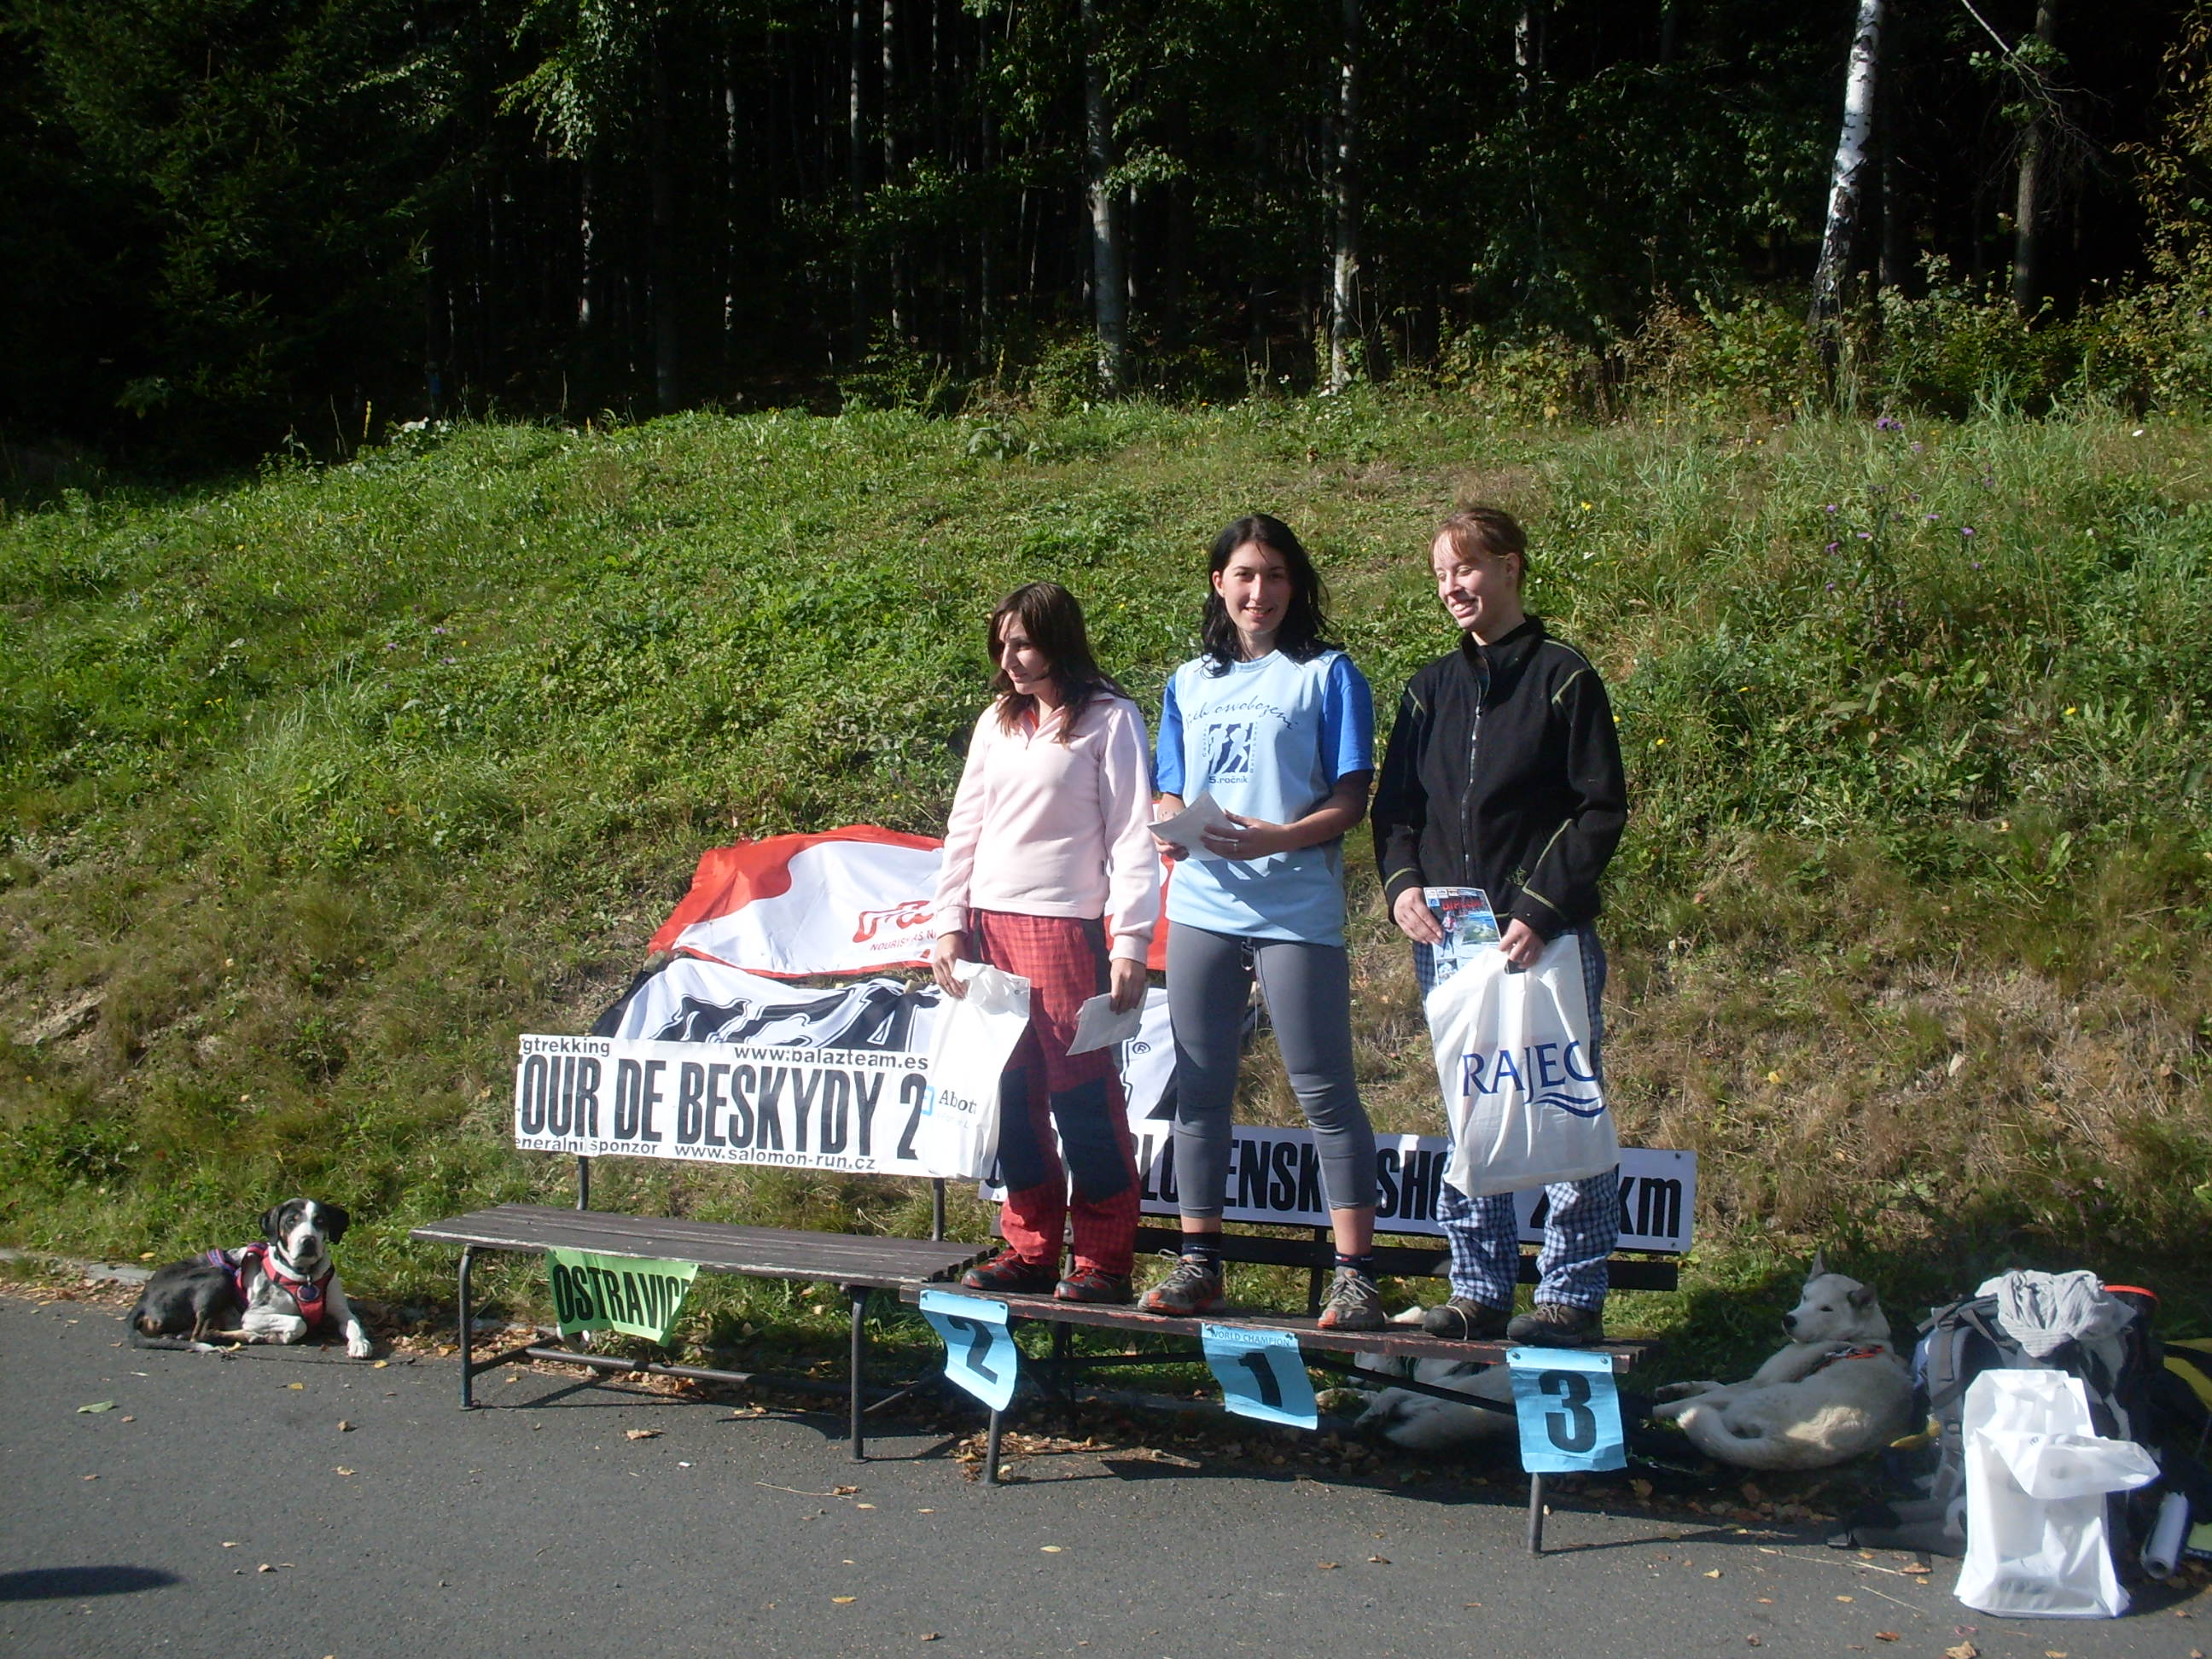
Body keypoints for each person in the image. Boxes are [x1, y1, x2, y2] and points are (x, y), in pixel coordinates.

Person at [1371, 506, 1628, 1348]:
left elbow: (1598, 809)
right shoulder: (1426, 689)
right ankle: (1479, 1288)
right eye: (1443, 574)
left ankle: (1569, 1296)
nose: (1453, 587)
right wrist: (1403, 884)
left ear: (1511, 568)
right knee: (1474, 1113)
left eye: (1468, 569)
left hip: (1545, 940)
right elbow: (1395, 811)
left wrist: (1544, 908)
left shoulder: (1564, 677)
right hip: (1454, 943)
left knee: (1562, 1104)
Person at [1139, 514, 1385, 1331]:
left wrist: (1282, 836)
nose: (1259, 591)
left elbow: (1351, 799)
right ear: (1219, 583)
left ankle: (1356, 1277)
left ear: (1296, 585)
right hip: (1204, 904)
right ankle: (1197, 1264)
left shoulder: (1328, 674)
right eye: (1244, 574)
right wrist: (1168, 812)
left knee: (1323, 1090)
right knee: (1200, 1090)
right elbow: (1168, 787)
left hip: (1295, 906)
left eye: (1275, 575)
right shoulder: (1188, 681)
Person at [933, 582, 1159, 1304]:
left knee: (1084, 1098)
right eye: (1002, 644)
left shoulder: (1109, 720)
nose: (1010, 658)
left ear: (1059, 640)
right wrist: (947, 923)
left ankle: (1104, 1260)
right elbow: (963, 829)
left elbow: (1132, 837)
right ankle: (1029, 1247)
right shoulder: (995, 722)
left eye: (1023, 643)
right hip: (989, 930)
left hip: (1067, 929)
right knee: (1012, 1091)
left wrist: (1129, 941)